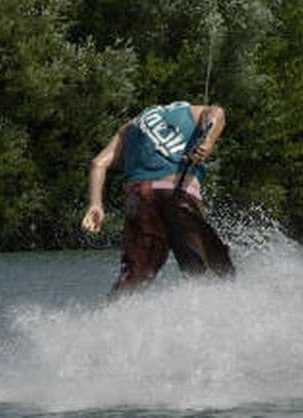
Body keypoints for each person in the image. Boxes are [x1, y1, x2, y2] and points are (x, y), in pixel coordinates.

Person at [81, 101, 235, 297]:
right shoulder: (187, 111)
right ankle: (222, 309)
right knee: (212, 268)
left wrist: (95, 204)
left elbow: (98, 163)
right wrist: (208, 142)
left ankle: (112, 313)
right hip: (177, 192)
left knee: (134, 276)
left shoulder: (129, 127)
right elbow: (217, 112)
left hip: (139, 200)